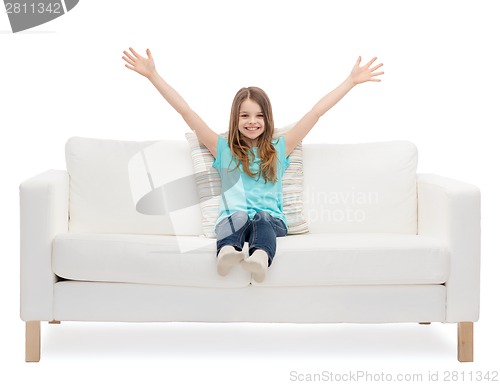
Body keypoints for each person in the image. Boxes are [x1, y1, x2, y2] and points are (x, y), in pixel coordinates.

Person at [122, 47, 383, 282]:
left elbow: (315, 113)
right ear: (235, 119)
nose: (252, 121)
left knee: (261, 217)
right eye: (244, 115)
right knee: (237, 216)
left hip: (271, 222)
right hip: (231, 221)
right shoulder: (223, 150)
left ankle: (260, 258)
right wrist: (153, 75)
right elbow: (187, 113)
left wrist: (350, 81)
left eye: (259, 115)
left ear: (267, 119)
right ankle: (226, 252)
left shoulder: (279, 150)